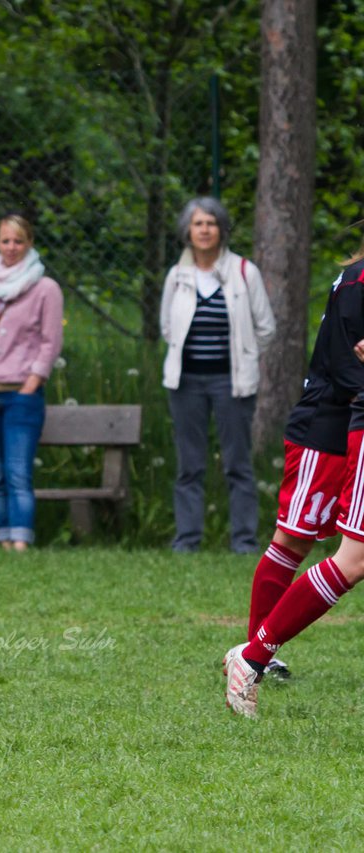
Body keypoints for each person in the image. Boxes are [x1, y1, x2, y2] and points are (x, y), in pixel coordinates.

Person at [224, 239, 364, 717]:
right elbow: (349, 367)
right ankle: (254, 652)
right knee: (294, 539)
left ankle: (257, 653)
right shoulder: (358, 281)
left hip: (346, 423)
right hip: (325, 424)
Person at [160, 197, 276, 553]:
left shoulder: (244, 272)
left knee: (237, 464)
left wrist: (243, 356)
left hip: (233, 383)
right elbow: (167, 326)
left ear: (222, 229)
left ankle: (243, 541)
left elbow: (265, 328)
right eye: (198, 224)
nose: (205, 230)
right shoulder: (177, 276)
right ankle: (187, 541)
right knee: (189, 465)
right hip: (186, 383)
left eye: (211, 223)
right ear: (187, 231)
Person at [0, 213, 64, 551]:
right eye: (6, 241)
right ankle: (4, 541)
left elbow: (50, 342)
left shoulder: (45, 288)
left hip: (22, 393)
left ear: (29, 243)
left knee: (19, 472)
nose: (11, 248)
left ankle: (21, 542)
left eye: (19, 241)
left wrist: (32, 383)